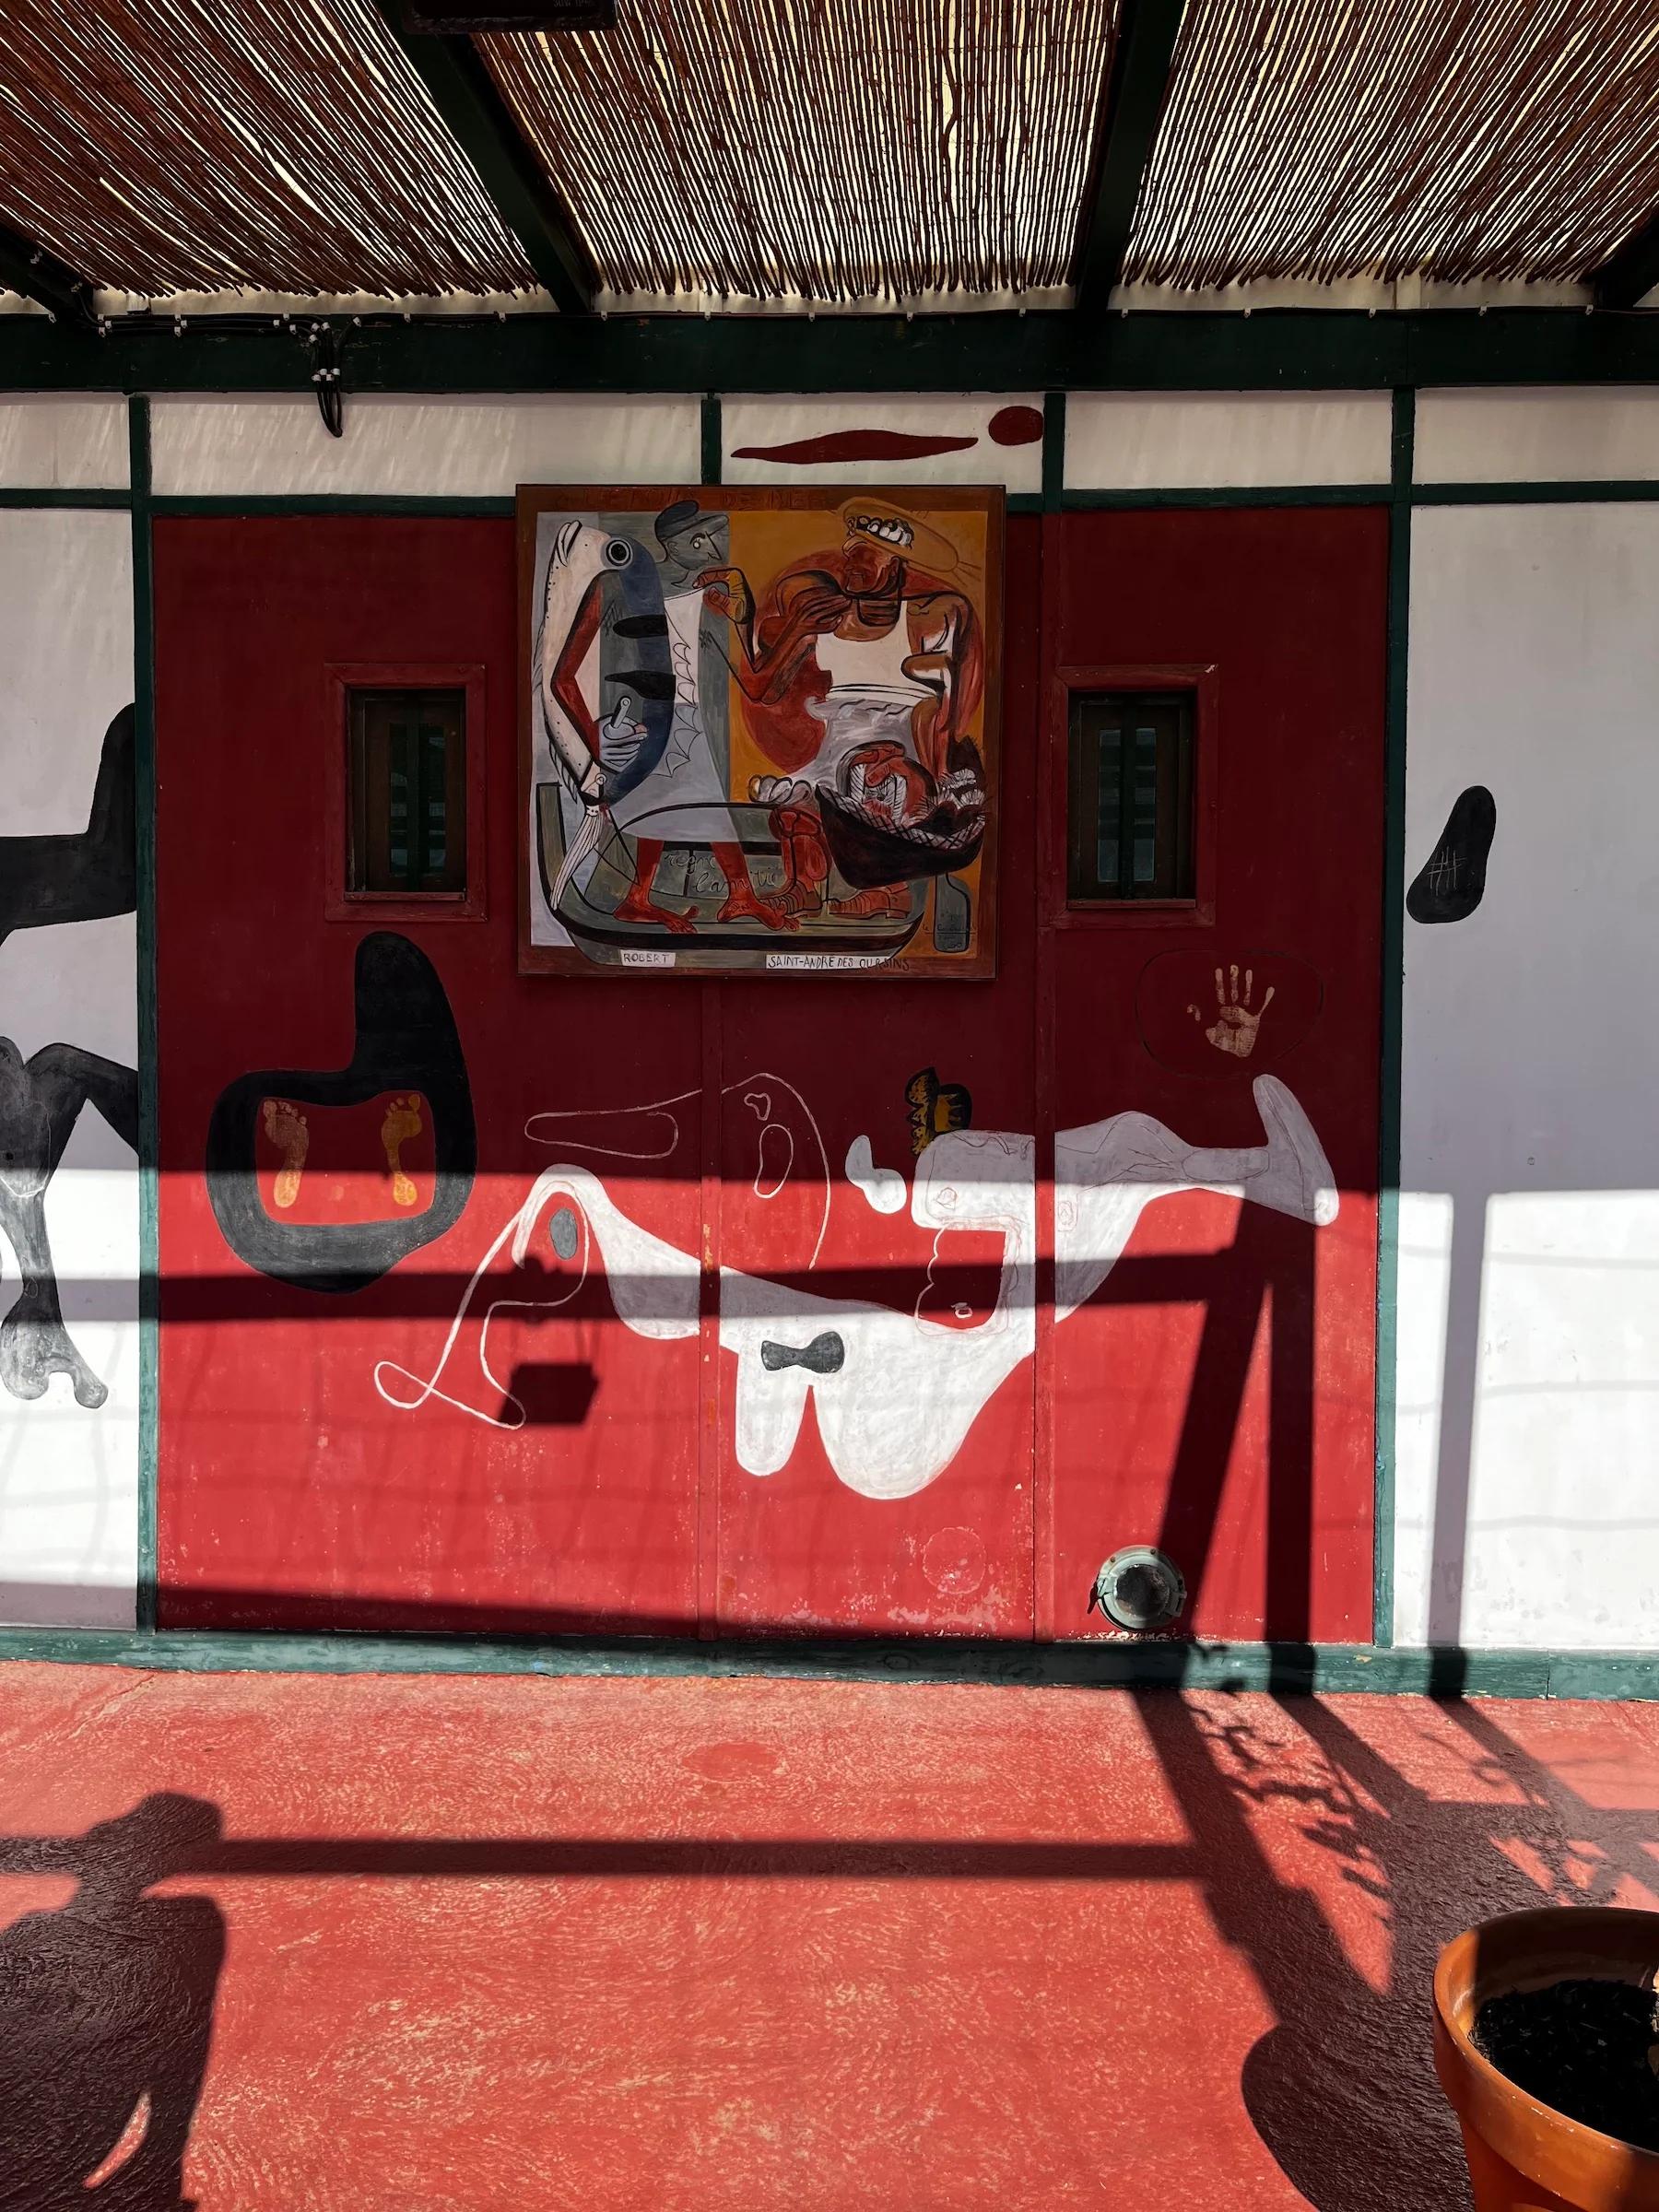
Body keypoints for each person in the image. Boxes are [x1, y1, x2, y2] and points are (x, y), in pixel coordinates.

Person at [698, 499, 987, 919]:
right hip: (835, 740)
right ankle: (804, 890)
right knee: (797, 806)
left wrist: (940, 773)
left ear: (896, 562)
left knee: (882, 795)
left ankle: (889, 893)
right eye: (849, 553)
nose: (850, 565)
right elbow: (761, 688)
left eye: (864, 556)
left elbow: (946, 709)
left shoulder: (936, 615)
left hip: (901, 743)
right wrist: (750, 622)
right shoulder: (824, 618)